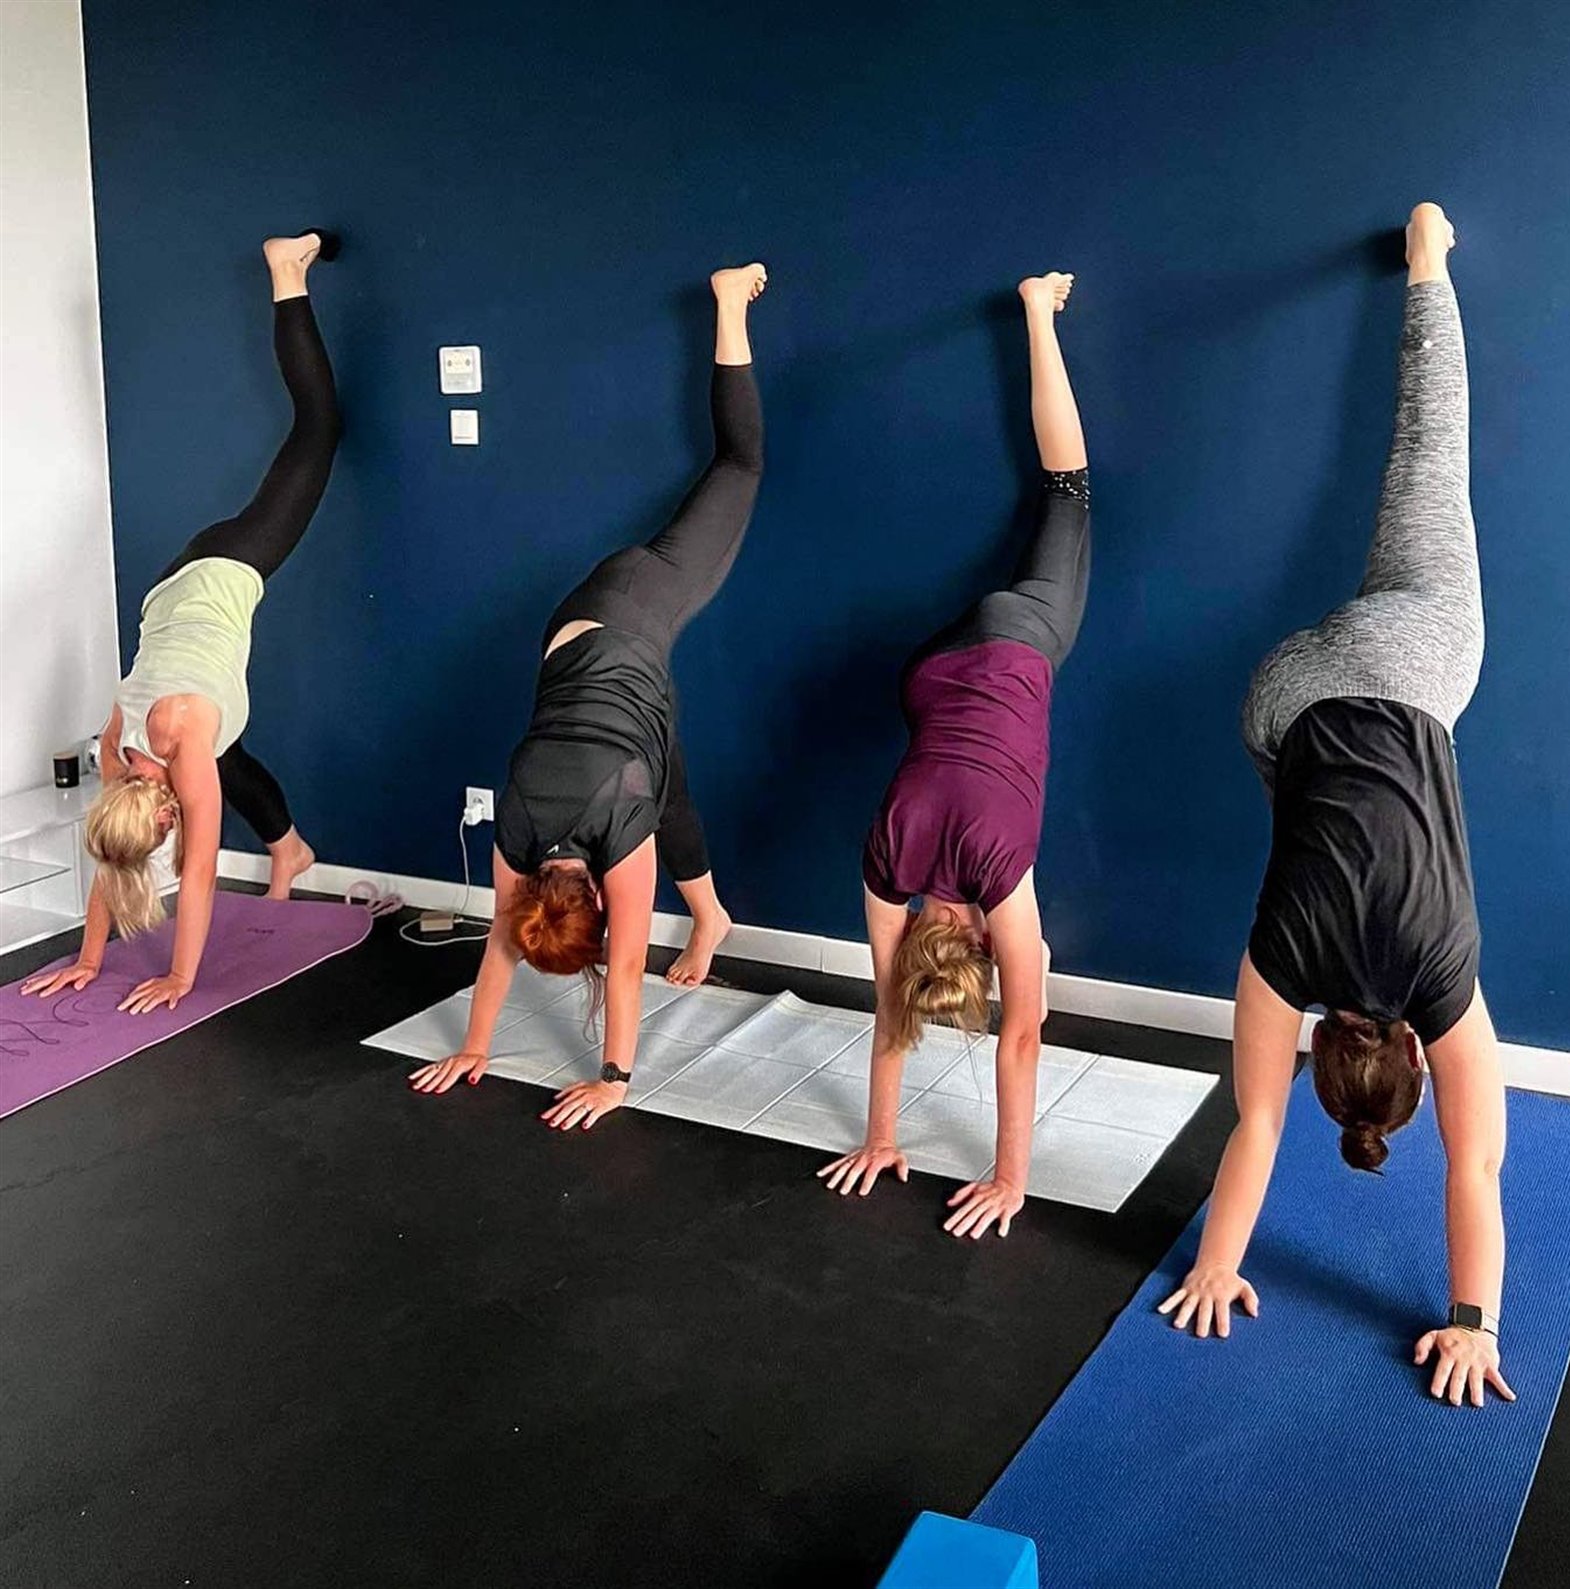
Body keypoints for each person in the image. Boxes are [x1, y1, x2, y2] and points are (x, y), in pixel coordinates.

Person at [1160, 204, 1514, 1410]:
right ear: (1325, 1045)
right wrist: (1215, 1265)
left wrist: (1472, 1321)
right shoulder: (1282, 962)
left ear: (1408, 1047)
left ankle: (1427, 261)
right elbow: (1255, 1125)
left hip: (1413, 666)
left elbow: (1475, 1162)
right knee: (1293, 795)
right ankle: (1427, 260)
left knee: (1430, 458)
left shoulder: (1445, 976)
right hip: (1285, 694)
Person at [408, 264, 768, 1131]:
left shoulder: (616, 827)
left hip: (636, 609)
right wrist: (476, 1046)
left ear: (596, 900)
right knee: (664, 772)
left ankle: (727, 303)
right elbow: (502, 946)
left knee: (741, 464)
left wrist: (614, 1078)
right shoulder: (520, 832)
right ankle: (713, 917)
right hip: (579, 636)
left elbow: (631, 961)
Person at [818, 271, 1090, 1240]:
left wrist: (1010, 1176)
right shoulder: (885, 863)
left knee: (1068, 490)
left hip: (1018, 644)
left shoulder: (998, 873)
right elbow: (887, 1009)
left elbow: (1023, 1033)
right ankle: (1035, 313)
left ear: (972, 936)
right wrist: (879, 1134)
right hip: (928, 670)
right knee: (1045, 518)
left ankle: (1036, 309)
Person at [22, 232, 340, 1014]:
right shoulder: (114, 750)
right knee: (233, 752)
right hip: (173, 584)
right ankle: (289, 848)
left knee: (319, 427)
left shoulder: (183, 739)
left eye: (169, 821)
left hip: (229, 565)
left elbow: (199, 871)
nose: (176, 824)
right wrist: (88, 957)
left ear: (162, 808)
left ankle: (286, 272)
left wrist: (182, 978)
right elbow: (115, 860)